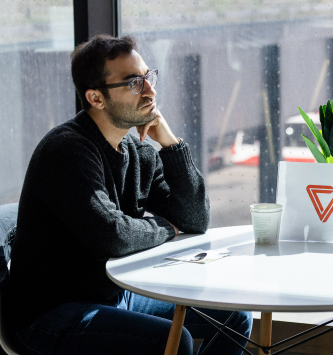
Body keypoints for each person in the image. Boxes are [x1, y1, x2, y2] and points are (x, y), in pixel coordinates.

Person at [6, 34, 252, 355]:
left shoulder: (136, 151)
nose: (149, 90)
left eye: (148, 76)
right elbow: (113, 235)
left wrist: (171, 145)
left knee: (234, 315)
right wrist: (166, 227)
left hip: (114, 296)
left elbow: (194, 219)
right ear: (96, 98)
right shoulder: (67, 150)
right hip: (52, 313)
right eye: (134, 83)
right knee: (171, 341)